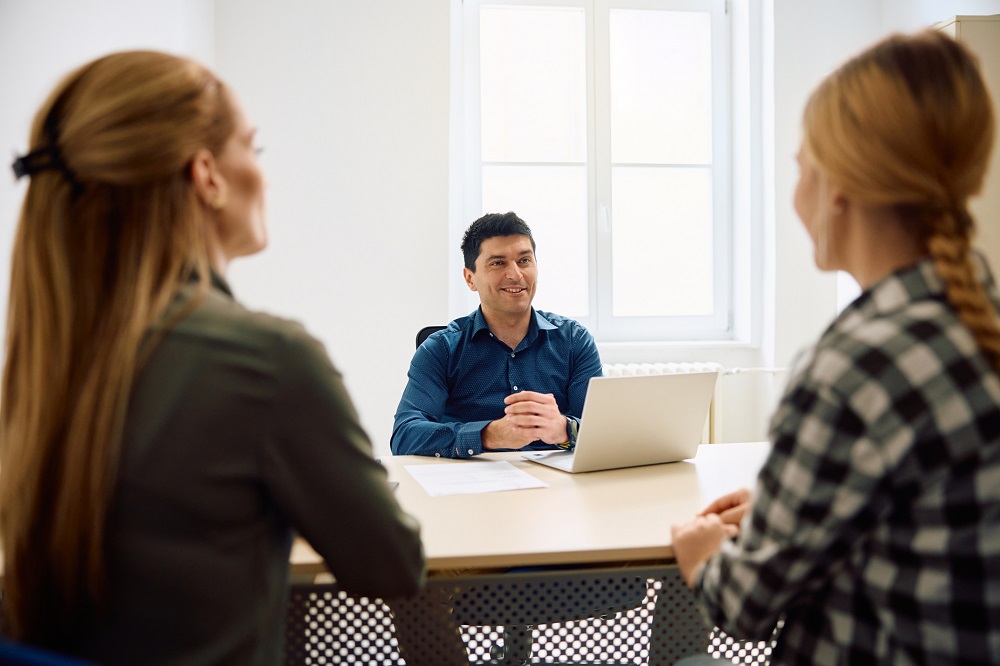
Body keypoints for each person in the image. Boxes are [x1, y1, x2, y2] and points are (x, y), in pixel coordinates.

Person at [0, 50, 425, 665]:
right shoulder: (270, 361)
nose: (266, 176)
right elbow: (392, 567)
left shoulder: (46, 357)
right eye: (254, 149)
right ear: (208, 176)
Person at [670, 30, 1000, 665]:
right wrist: (788, 508)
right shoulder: (975, 319)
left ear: (840, 186)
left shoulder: (853, 367)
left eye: (801, 168)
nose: (795, 194)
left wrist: (705, 557)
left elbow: (745, 608)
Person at [391, 211, 601, 458]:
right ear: (470, 279)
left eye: (524, 261)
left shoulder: (574, 341)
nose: (515, 274)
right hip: (472, 490)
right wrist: (488, 435)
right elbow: (405, 435)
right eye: (498, 263)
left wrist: (565, 430)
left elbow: (606, 432)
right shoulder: (441, 349)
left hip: (556, 488)